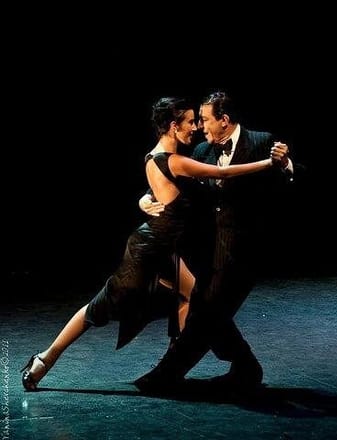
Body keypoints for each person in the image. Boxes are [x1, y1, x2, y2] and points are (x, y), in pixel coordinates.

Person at [20, 96, 283, 391]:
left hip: (168, 250)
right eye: (190, 121)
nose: (196, 127)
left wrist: (145, 198)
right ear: (173, 126)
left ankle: (175, 369)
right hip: (149, 251)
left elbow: (165, 185)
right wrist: (267, 163)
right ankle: (45, 359)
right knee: (100, 308)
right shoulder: (175, 160)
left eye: (199, 120)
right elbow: (221, 173)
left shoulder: (157, 156)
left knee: (198, 300)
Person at [134, 89, 295, 392]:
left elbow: (291, 181)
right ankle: (246, 367)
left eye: (205, 119)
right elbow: (172, 181)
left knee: (206, 310)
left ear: (224, 119)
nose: (200, 126)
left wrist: (285, 164)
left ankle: (167, 373)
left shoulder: (261, 142)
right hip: (210, 249)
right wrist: (145, 199)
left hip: (247, 249)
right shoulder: (201, 151)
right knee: (210, 311)